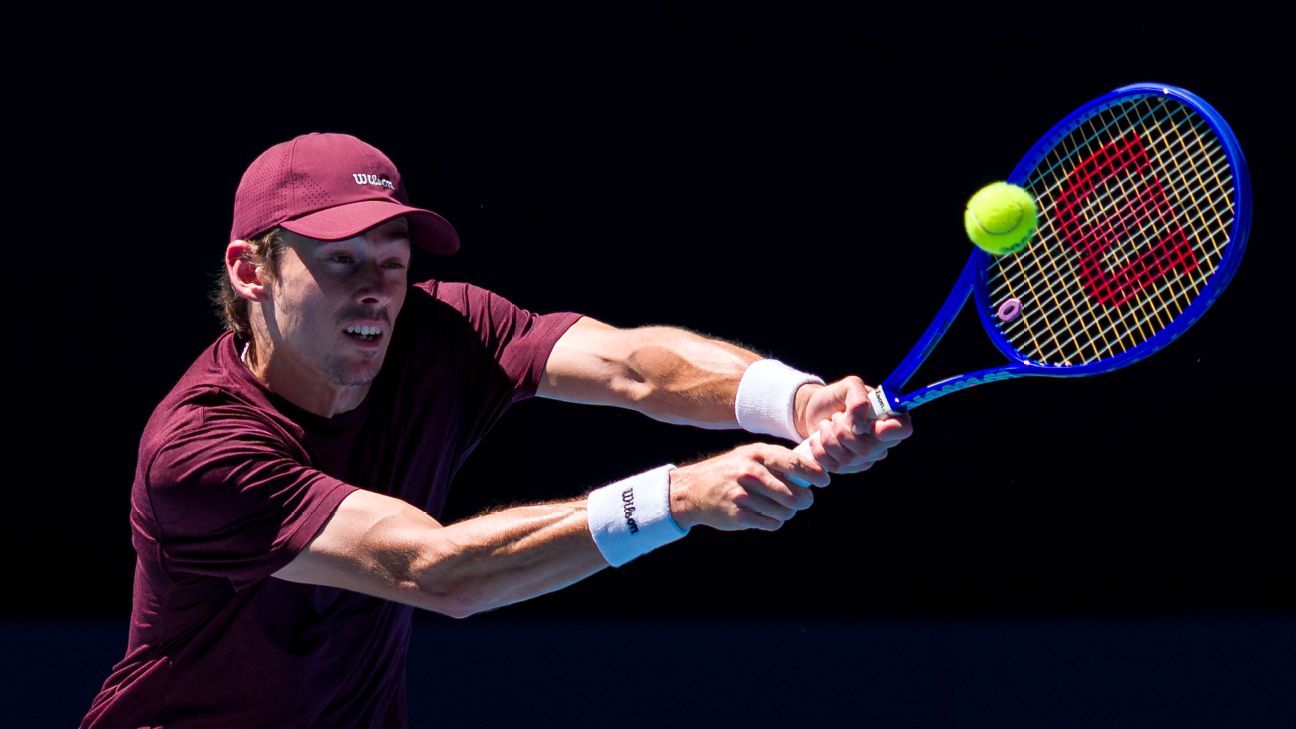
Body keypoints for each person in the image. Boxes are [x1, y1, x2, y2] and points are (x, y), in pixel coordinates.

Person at [80, 132, 913, 727]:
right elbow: (436, 571)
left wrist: (796, 401)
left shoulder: (439, 334)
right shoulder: (200, 451)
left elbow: (630, 365)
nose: (376, 288)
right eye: (339, 259)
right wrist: (681, 494)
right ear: (249, 270)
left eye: (394, 259)